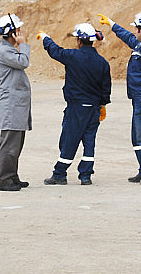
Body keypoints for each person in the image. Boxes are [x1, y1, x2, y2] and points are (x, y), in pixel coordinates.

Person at [37, 23, 111, 186]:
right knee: (89, 141)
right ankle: (85, 176)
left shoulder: (73, 57)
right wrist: (103, 105)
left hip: (76, 108)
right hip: (94, 109)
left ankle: (59, 174)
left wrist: (45, 38)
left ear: (79, 40)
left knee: (69, 140)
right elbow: (106, 88)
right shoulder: (102, 63)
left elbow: (55, 51)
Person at [97, 12, 141, 185]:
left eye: (136, 28)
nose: (134, 30)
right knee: (137, 136)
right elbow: (127, 37)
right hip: (138, 98)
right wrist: (112, 24)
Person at [0, 13, 31, 192]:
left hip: (17, 104)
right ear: (11, 33)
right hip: (11, 105)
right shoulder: (5, 51)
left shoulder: (8, 49)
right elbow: (23, 62)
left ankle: (12, 176)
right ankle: (4, 180)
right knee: (9, 143)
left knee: (16, 142)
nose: (20, 33)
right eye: (18, 30)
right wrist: (23, 44)